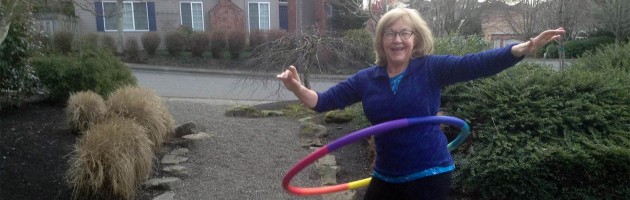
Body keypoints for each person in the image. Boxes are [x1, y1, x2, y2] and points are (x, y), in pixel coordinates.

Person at [277, 7, 565, 200]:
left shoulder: (431, 68)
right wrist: (297, 87)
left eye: (405, 33)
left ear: (415, 39)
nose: (398, 39)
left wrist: (523, 48)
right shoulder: (367, 79)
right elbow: (322, 101)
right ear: (381, 40)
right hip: (386, 173)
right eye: (390, 33)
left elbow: (475, 64)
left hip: (429, 172)